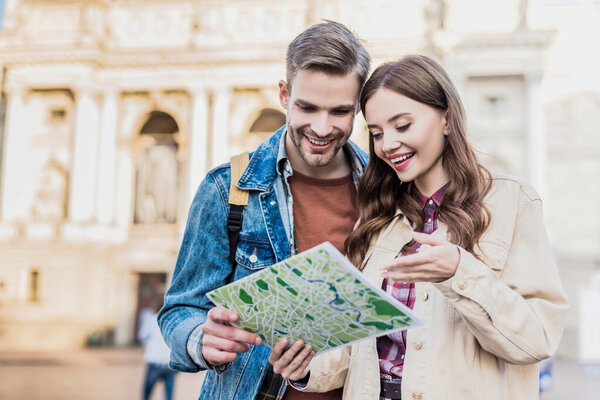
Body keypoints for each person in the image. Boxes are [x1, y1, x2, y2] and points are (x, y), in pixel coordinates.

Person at [273, 55, 569, 399]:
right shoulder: (378, 215)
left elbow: (537, 339)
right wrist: (307, 365)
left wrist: (460, 272)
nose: (387, 145)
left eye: (402, 126)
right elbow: (360, 349)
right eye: (377, 133)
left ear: (446, 119)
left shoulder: (512, 201)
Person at [158, 21, 371, 400]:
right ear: (284, 95)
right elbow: (178, 309)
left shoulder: (384, 191)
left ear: (358, 106)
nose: (321, 128)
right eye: (308, 107)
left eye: (339, 112)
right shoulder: (226, 187)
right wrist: (199, 339)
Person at [138, 305, 178, 400]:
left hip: (154, 363)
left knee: (147, 394)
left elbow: (142, 336)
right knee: (169, 396)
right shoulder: (173, 321)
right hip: (170, 364)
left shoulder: (151, 320)